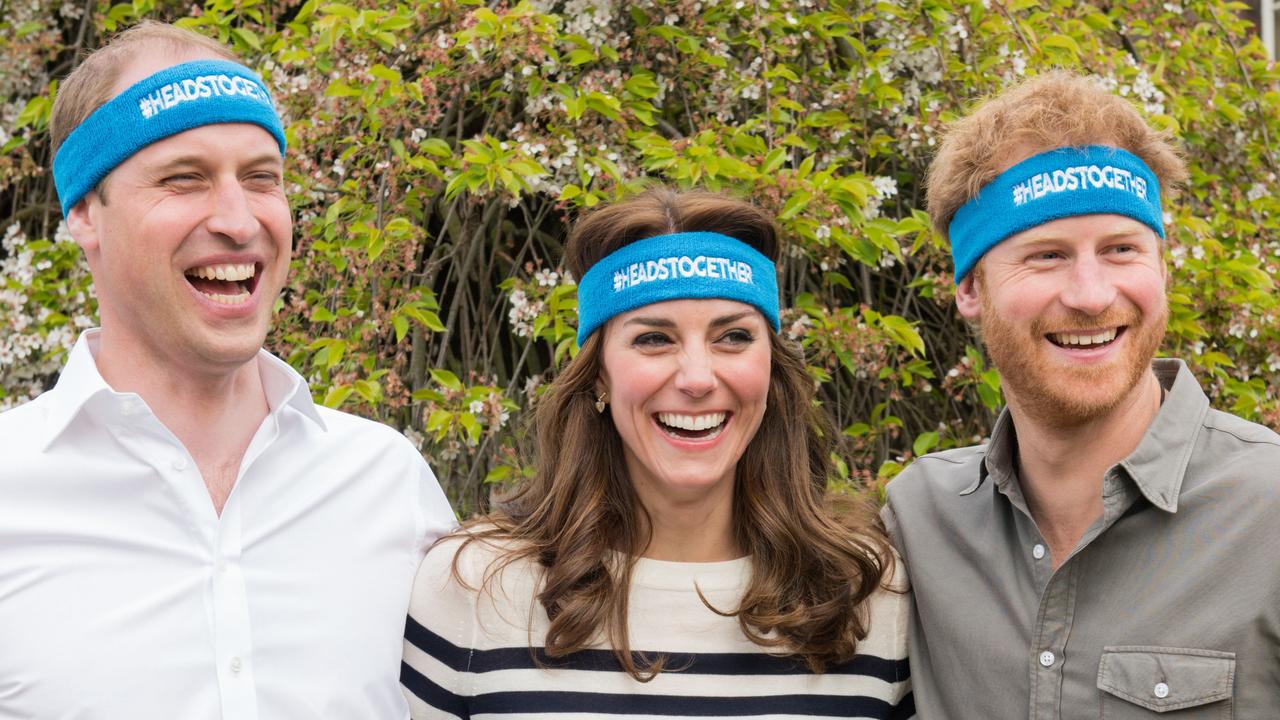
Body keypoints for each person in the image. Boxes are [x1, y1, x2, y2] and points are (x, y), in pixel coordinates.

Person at [0, 21, 455, 719]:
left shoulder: (389, 486)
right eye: (184, 180)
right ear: (86, 214)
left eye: (260, 179)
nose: (240, 222)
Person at [401, 188, 913, 718]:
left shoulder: (866, 594)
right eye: (653, 340)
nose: (697, 378)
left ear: (771, 368)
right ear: (599, 371)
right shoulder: (475, 588)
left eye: (734, 336)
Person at [883, 70, 1280, 717]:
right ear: (970, 290)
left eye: (1121, 249)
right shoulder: (919, 521)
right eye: (1046, 255)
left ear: (1161, 268)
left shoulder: (1271, 513)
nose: (1092, 295)